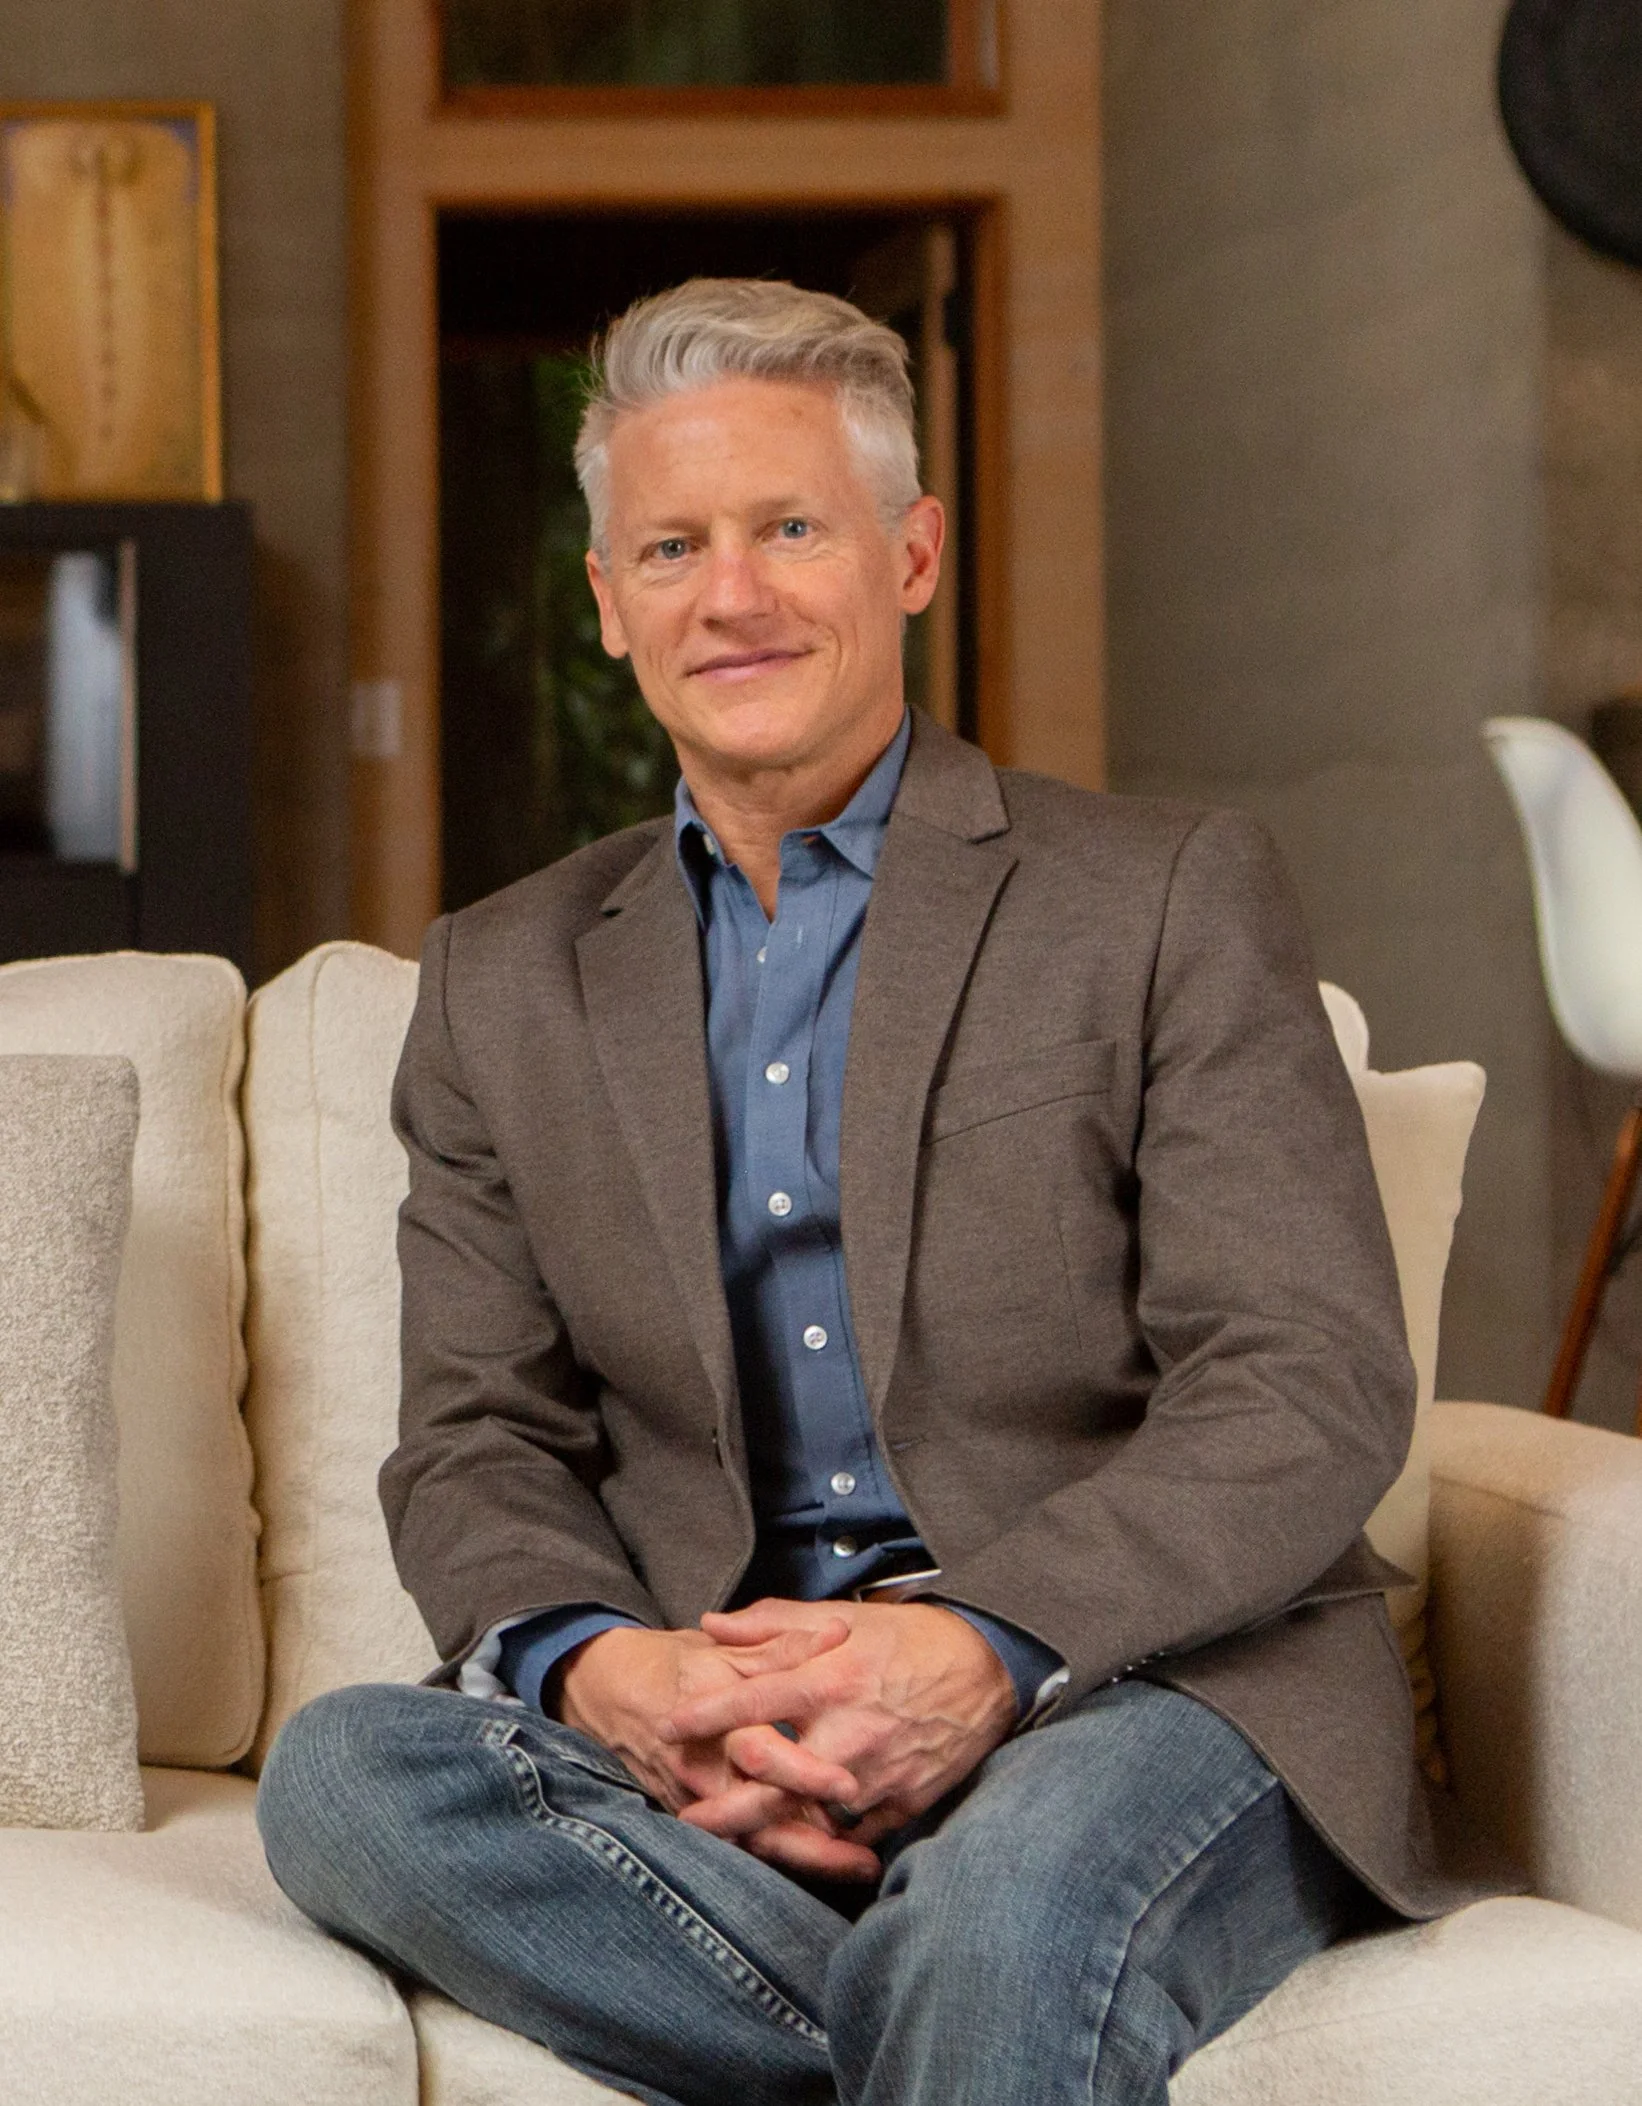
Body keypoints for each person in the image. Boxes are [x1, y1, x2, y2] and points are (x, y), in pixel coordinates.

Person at [257, 278, 1491, 2106]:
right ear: (607, 606)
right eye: (670, 545)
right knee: (345, 1776)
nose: (729, 593)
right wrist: (616, 1678)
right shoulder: (504, 977)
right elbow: (474, 1436)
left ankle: (969, 1962)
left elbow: (1301, 1374)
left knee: (998, 1905)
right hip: (722, 1718)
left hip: (1134, 1682)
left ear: (908, 556)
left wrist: (971, 1649)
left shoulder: (1155, 897)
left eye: (786, 529)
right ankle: (960, 2012)